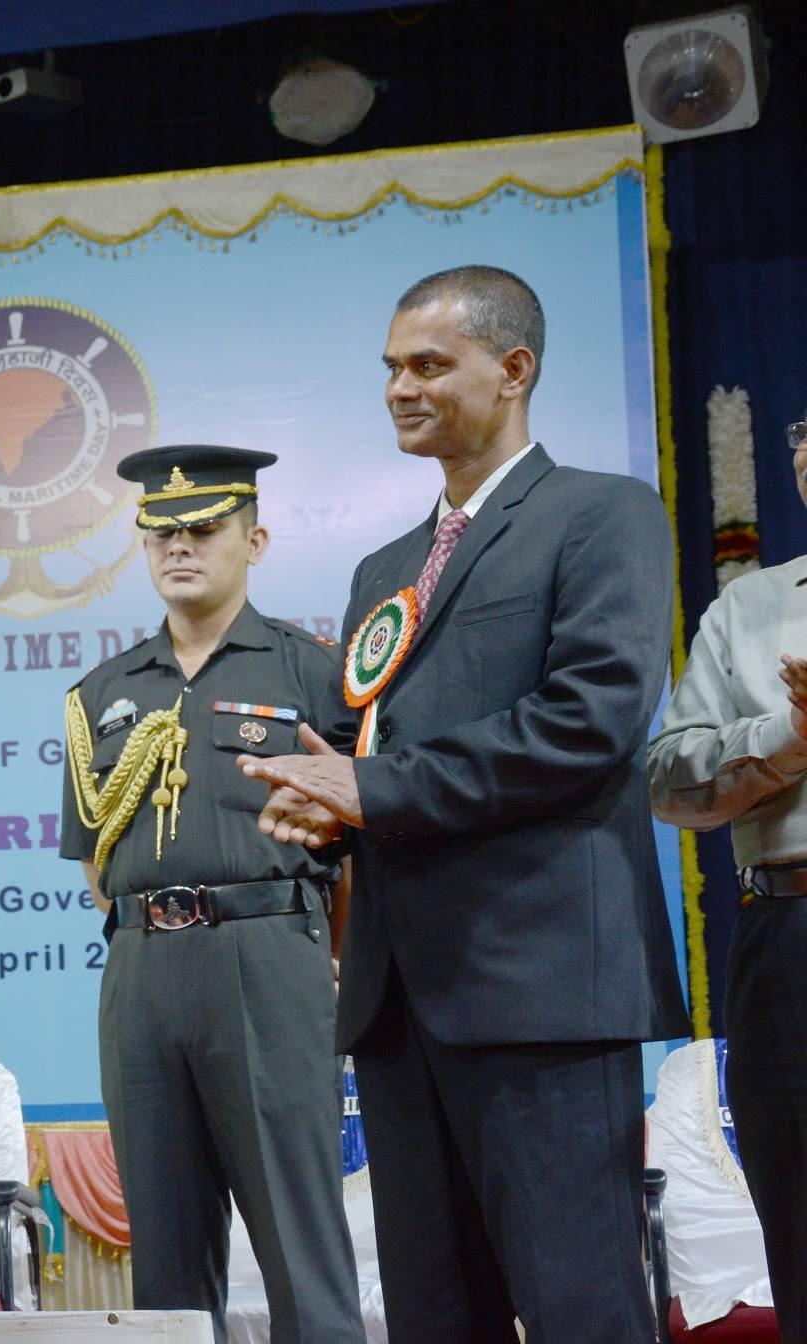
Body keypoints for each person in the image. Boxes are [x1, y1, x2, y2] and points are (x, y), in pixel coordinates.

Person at [239, 265, 689, 1342]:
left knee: (582, 1308)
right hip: (399, 1002)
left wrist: (374, 787)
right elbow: (378, 747)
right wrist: (325, 798)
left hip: (542, 992)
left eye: (430, 364)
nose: (400, 387)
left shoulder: (602, 514)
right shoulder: (382, 568)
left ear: (515, 370)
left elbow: (589, 725)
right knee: (436, 1318)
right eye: (391, 367)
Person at [60, 445, 364, 1344]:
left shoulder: (314, 672)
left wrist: (325, 960)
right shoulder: (103, 694)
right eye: (161, 534)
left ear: (256, 538)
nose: (179, 548)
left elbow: (359, 846)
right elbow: (94, 863)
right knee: (166, 1258)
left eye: (203, 529)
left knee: (298, 1246)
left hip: (269, 961)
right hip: (144, 970)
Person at [647, 407, 807, 1343]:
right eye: (801, 430)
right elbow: (672, 783)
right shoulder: (747, 613)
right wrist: (786, 740)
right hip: (788, 943)